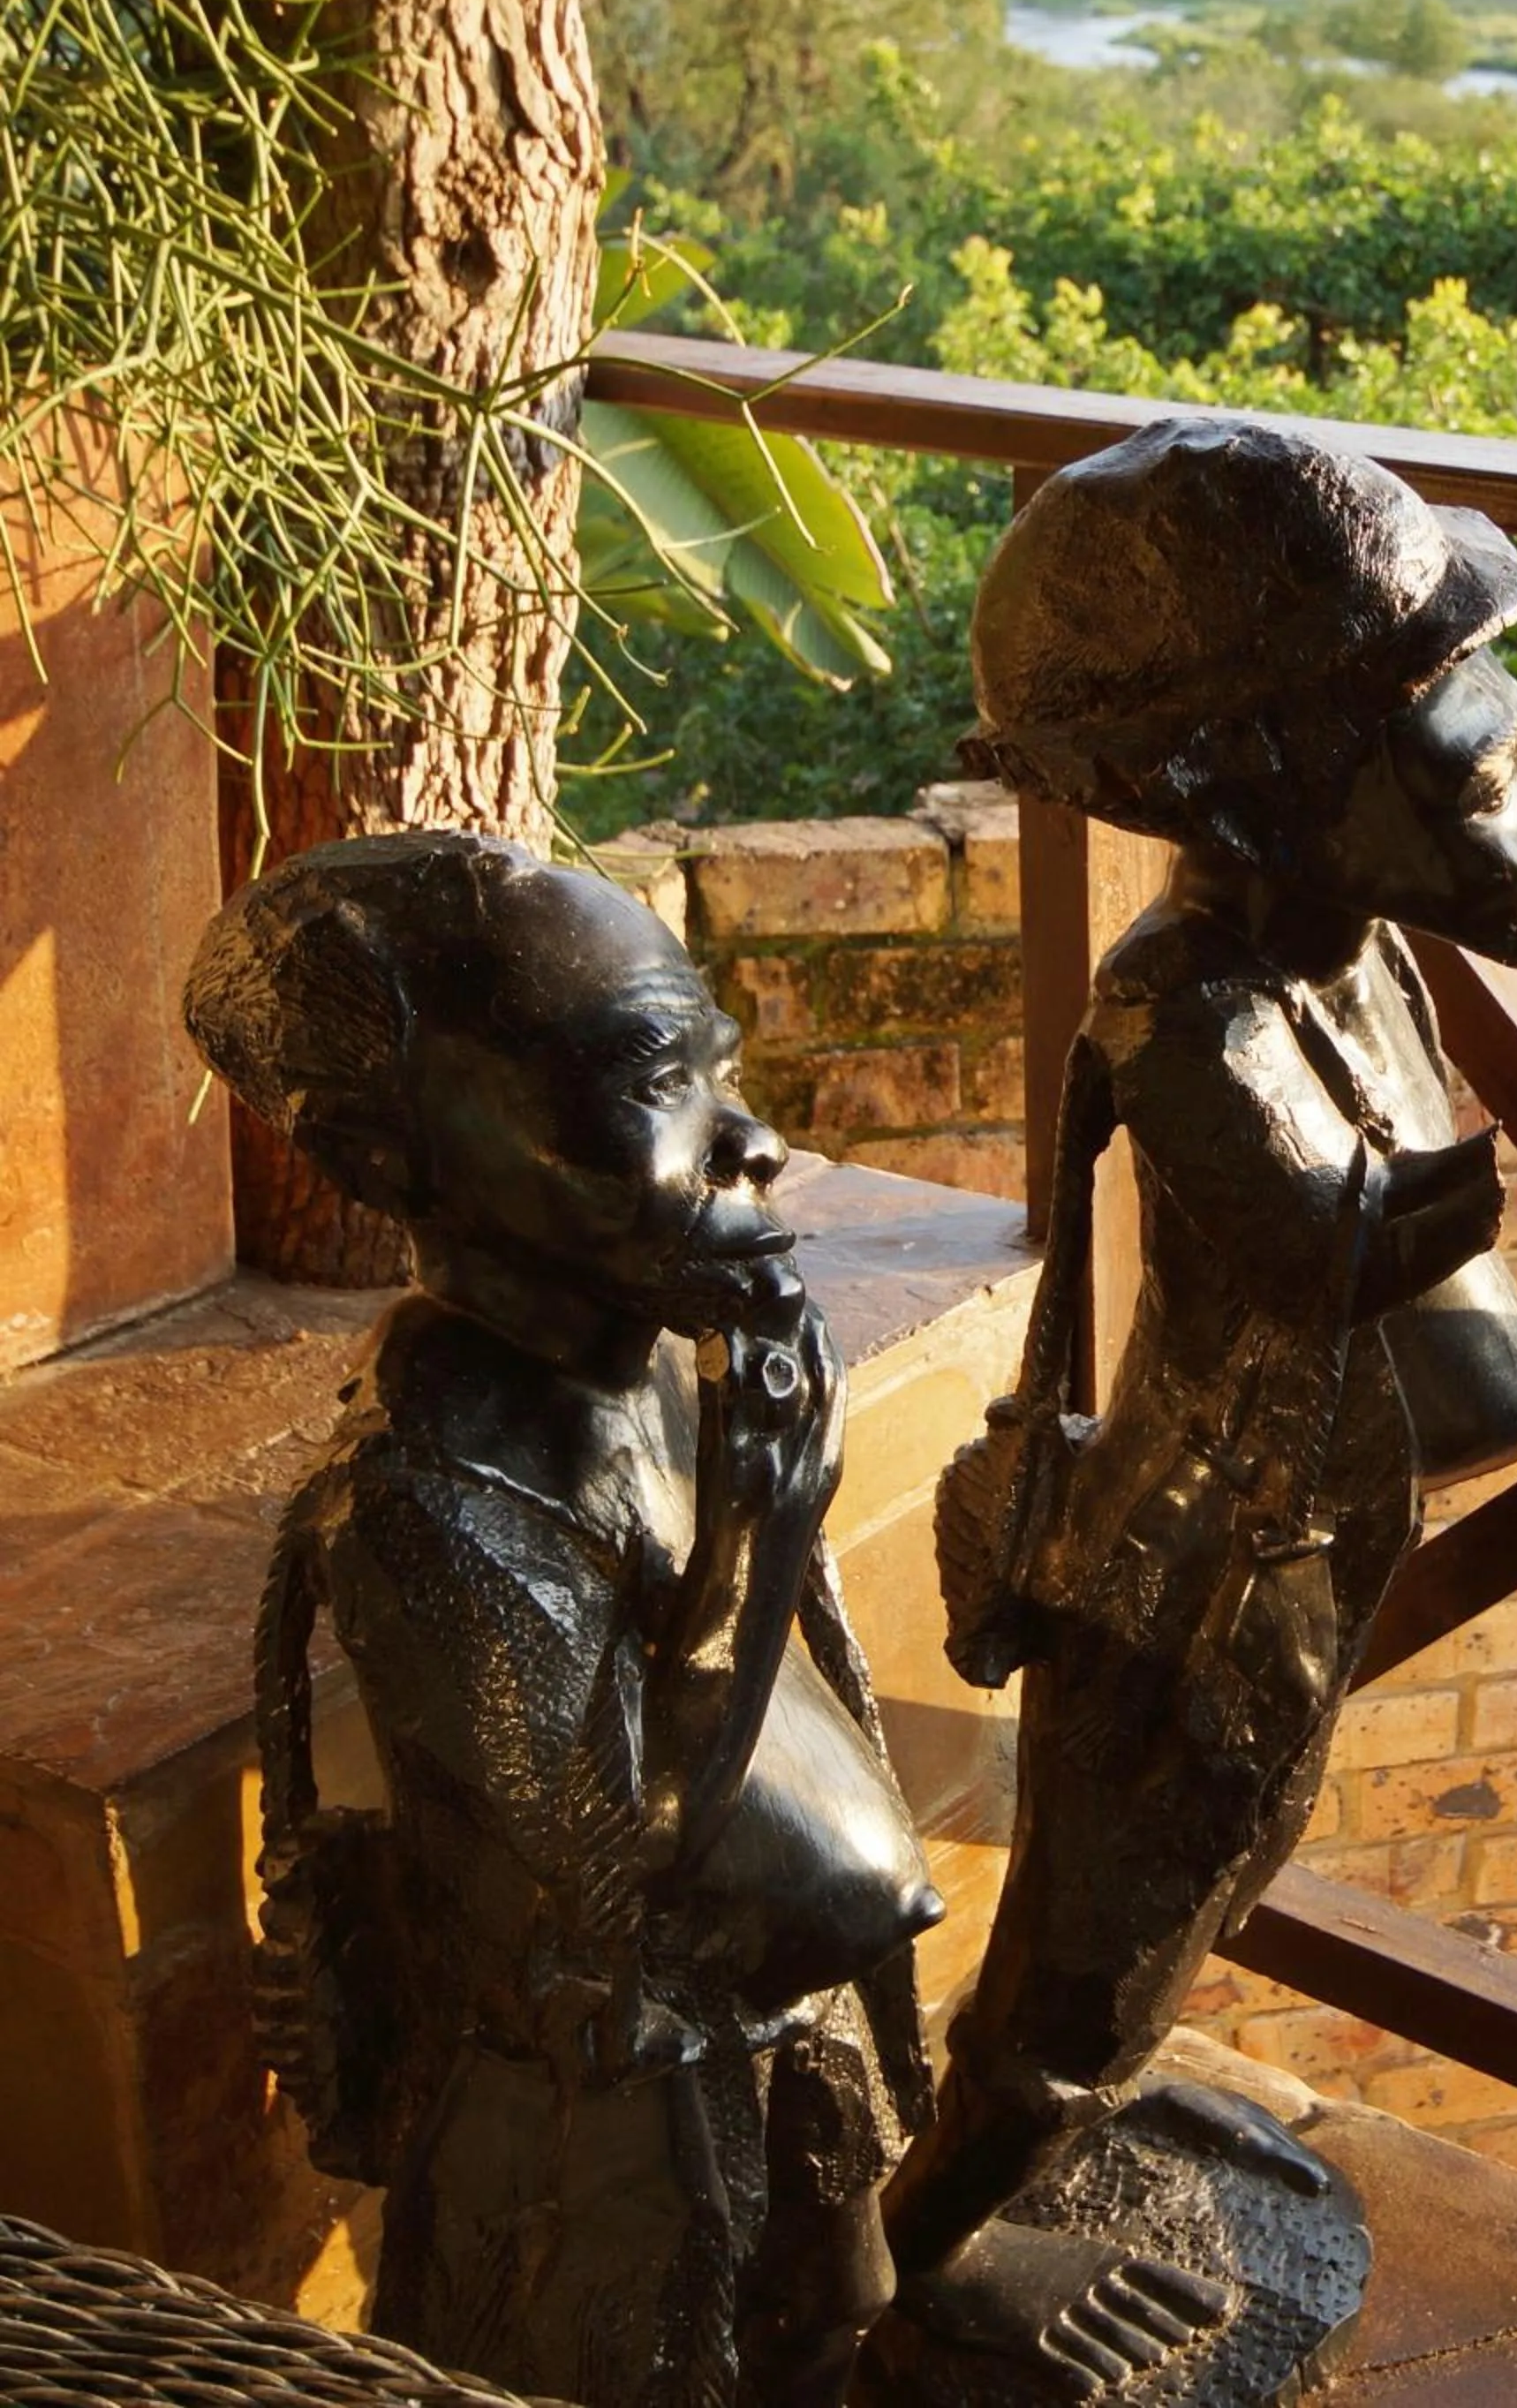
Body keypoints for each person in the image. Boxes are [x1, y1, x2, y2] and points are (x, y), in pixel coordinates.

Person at [879, 415, 1517, 2378]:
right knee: (1091, 1953)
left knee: (1198, 1894)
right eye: (1471, 762)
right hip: (1205, 1577)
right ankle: (926, 2249)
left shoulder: (1355, 955)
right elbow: (1327, 1245)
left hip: (1310, 1542)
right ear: (1262, 789)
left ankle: (1058, 2129)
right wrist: (1459, 1198)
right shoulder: (1184, 1004)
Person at [185, 834, 941, 2408]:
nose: (755, 1138)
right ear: (389, 1159)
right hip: (599, 2185)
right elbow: (626, 1884)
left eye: (717, 1065)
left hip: (775, 2081)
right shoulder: (422, 1505)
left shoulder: (657, 1371)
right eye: (652, 1075)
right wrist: (759, 1529)